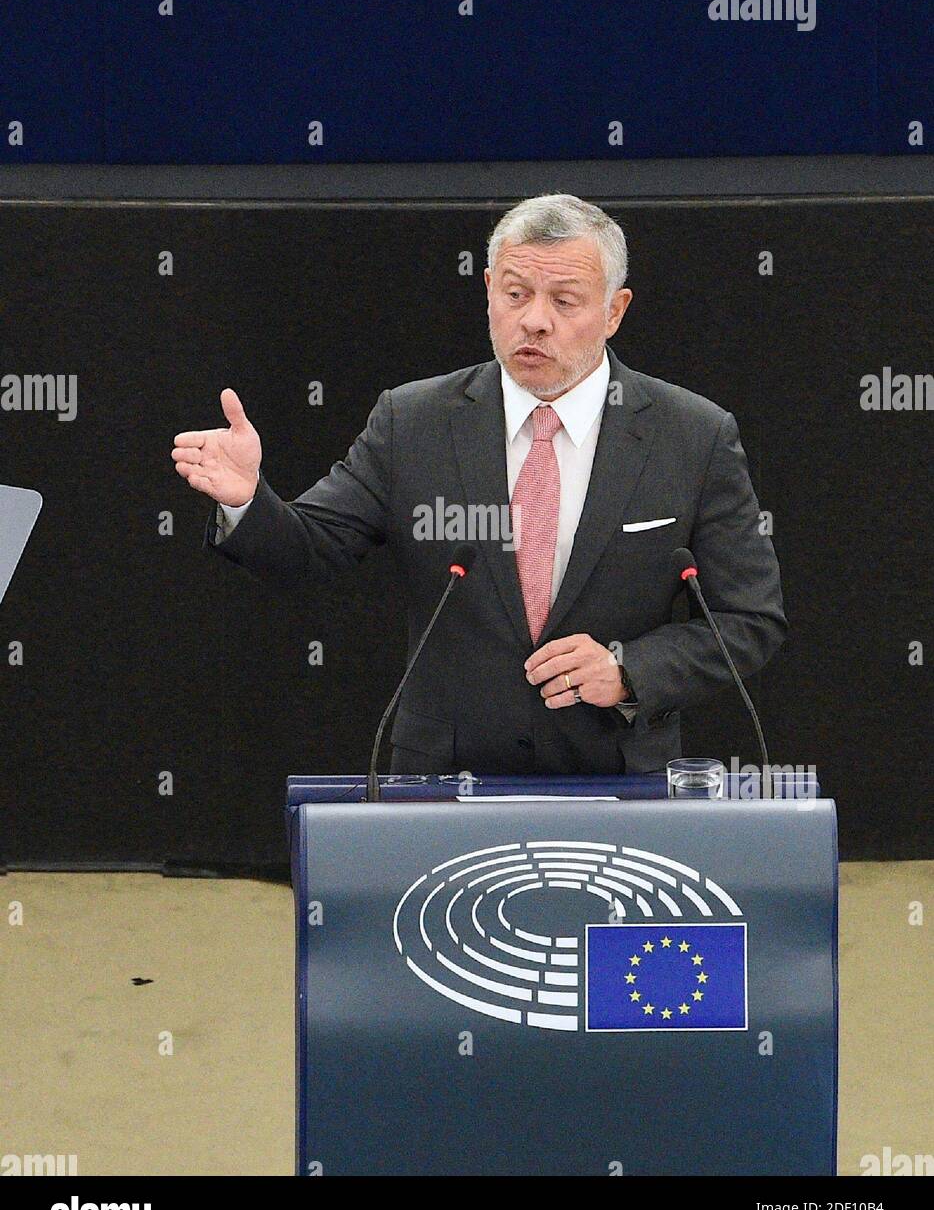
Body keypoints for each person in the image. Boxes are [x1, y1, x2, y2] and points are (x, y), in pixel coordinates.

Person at [171, 194, 786, 775]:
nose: (535, 321)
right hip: (445, 780)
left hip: (616, 776)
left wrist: (631, 672)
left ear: (615, 311)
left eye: (565, 301)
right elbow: (310, 549)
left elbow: (749, 620)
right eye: (516, 294)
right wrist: (246, 501)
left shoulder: (694, 436)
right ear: (489, 290)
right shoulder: (412, 421)